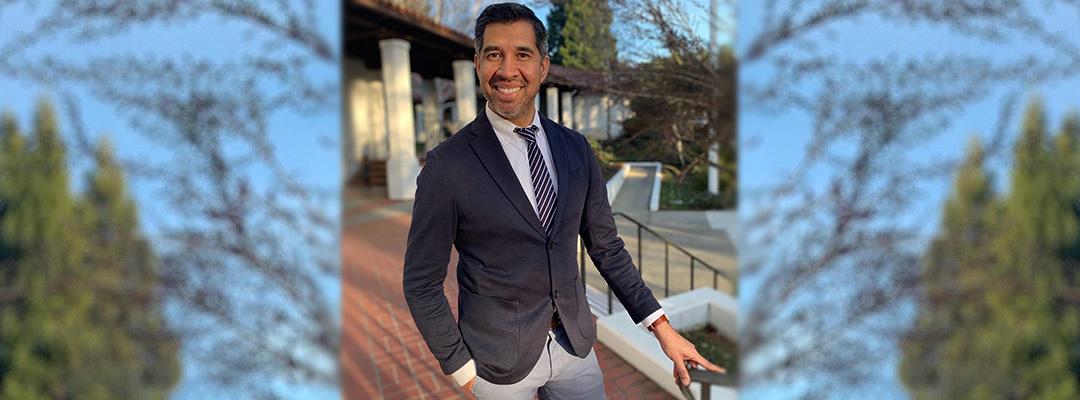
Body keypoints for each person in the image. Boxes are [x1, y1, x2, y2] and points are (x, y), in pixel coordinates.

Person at [402, 3, 723, 399]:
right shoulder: (446, 166)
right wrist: (460, 369)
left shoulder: (576, 149)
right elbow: (421, 282)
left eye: (522, 54)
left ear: (543, 66)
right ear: (477, 63)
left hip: (575, 345)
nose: (507, 70)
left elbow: (606, 248)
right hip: (497, 364)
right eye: (493, 54)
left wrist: (661, 327)